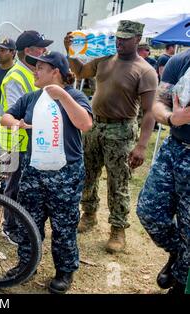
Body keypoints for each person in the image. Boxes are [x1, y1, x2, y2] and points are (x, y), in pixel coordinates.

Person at [1, 51, 93, 294]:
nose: (34, 71)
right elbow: (6, 116)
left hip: (66, 174)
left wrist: (62, 96)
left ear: (56, 72)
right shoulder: (32, 98)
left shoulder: (75, 95)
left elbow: (85, 124)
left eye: (40, 68)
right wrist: (16, 123)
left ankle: (64, 271)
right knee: (28, 220)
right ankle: (26, 263)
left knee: (64, 225)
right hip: (34, 172)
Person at [64, 20, 158, 253]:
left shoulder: (145, 71)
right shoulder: (105, 59)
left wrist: (141, 146)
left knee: (118, 181)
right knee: (87, 173)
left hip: (121, 131)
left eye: (126, 38)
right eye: (118, 37)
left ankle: (118, 229)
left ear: (138, 39)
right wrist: (70, 52)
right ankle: (89, 213)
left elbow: (149, 113)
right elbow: (81, 71)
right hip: (95, 126)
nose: (120, 42)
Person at [136, 49, 190, 295]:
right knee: (149, 212)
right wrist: (171, 118)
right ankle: (178, 253)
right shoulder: (180, 61)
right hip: (175, 147)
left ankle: (180, 281)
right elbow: (158, 102)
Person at [0, 31, 53, 243]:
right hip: (16, 143)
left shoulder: (33, 74)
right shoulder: (15, 77)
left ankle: (22, 224)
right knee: (13, 187)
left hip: (31, 142)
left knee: (25, 187)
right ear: (28, 52)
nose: (44, 52)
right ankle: (9, 227)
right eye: (40, 48)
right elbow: (17, 112)